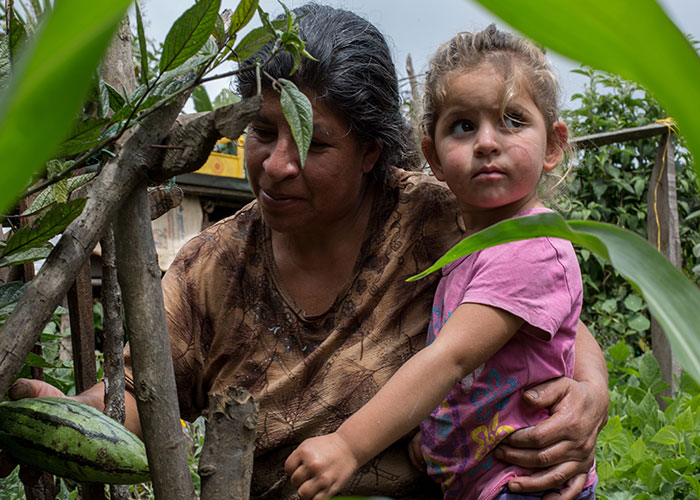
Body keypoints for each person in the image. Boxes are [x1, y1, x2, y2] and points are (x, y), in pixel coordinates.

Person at [2, 5, 608, 500]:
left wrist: (590, 391)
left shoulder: (443, 215)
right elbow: (140, 393)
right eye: (263, 133)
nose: (278, 166)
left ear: (372, 151)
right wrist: (52, 418)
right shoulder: (211, 267)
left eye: (315, 144)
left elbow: (542, 296)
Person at [284, 25, 597, 500]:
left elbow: (450, 358)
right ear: (432, 155)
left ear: (553, 146)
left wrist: (347, 445)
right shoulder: (471, 236)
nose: (487, 142)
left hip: (524, 487)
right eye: (463, 126)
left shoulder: (532, 248)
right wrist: (433, 438)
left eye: (512, 120)